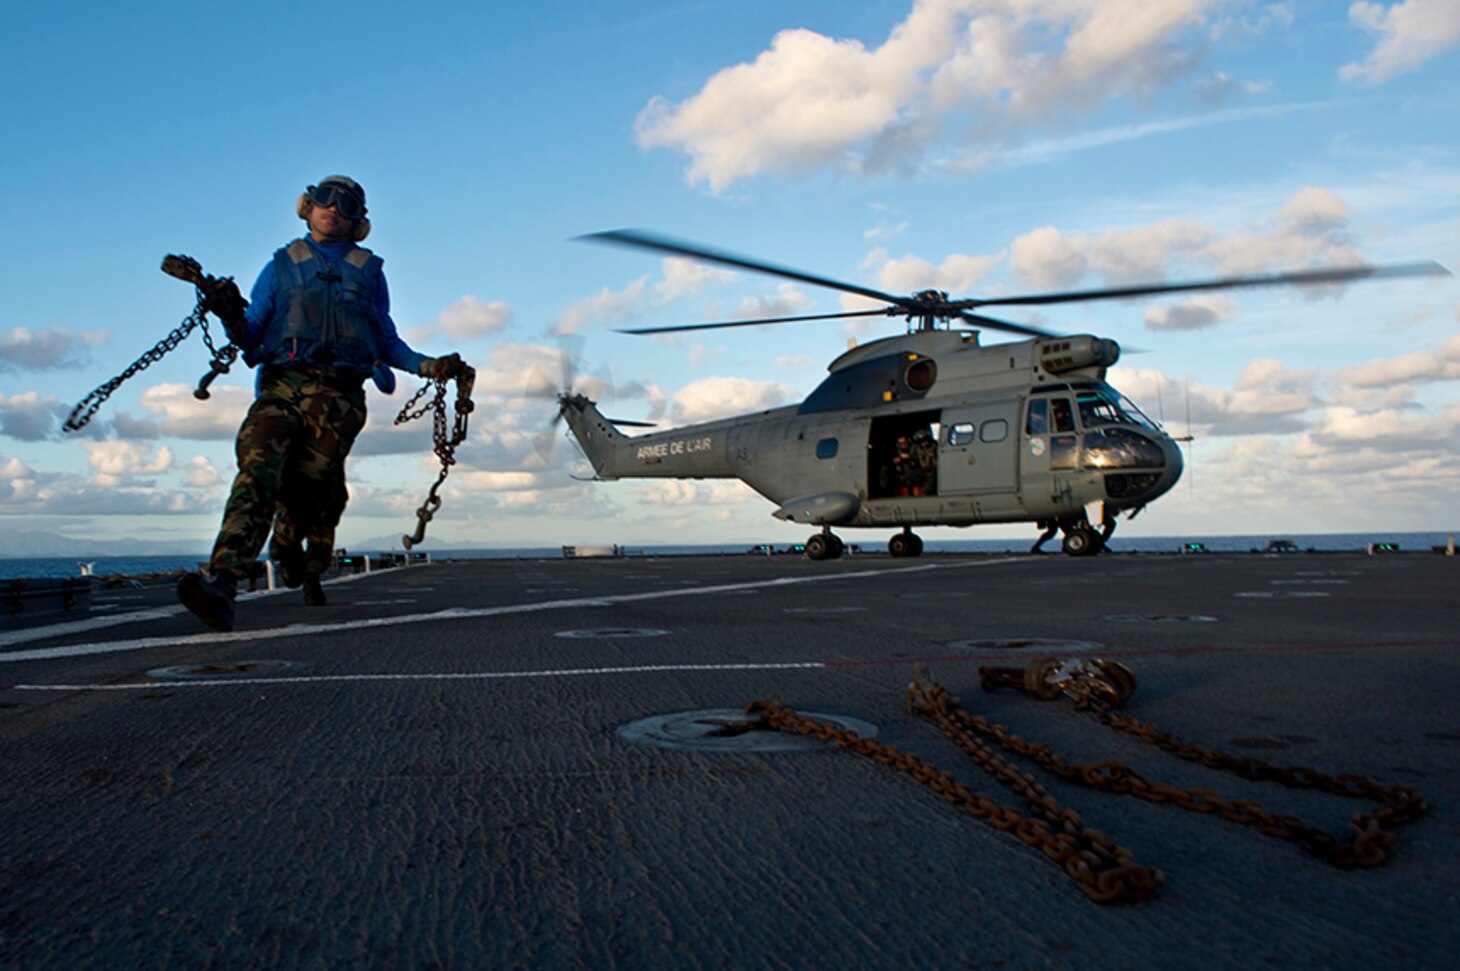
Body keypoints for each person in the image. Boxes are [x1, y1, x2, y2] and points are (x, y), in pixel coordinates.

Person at [177, 175, 468, 632]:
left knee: (309, 496)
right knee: (256, 474)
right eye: (324, 200)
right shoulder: (281, 265)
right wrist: (229, 312)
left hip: (338, 402)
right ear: (306, 207)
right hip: (281, 389)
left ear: (359, 222)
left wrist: (430, 366)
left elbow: (385, 339)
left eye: (347, 204)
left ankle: (291, 553)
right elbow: (252, 335)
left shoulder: (369, 271)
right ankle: (224, 584)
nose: (334, 208)